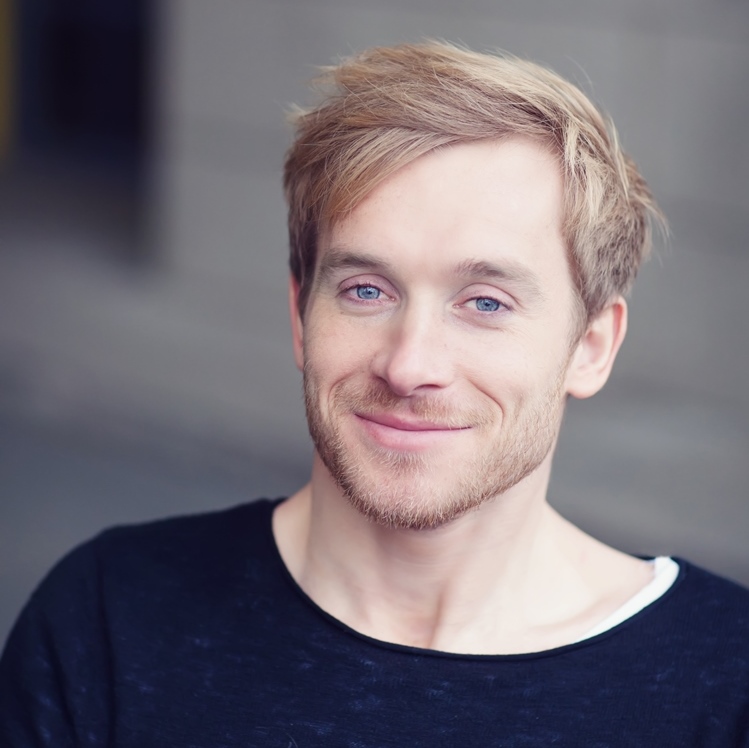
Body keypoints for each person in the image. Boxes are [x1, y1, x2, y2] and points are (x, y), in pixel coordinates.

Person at [1, 41, 748, 747]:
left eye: (485, 302)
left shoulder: (725, 680)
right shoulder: (106, 618)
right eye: (365, 289)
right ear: (301, 316)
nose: (408, 364)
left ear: (590, 347)